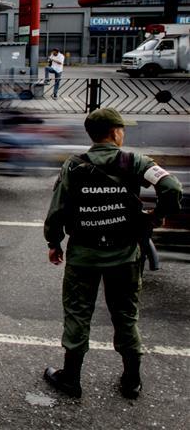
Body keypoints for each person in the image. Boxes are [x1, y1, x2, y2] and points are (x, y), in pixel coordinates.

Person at [43, 108, 182, 399]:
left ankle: (71, 378)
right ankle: (131, 380)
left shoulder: (74, 166)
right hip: (125, 256)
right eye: (122, 130)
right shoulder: (134, 162)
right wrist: (157, 217)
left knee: (78, 314)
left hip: (84, 256)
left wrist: (54, 243)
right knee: (125, 315)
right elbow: (171, 186)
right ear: (115, 132)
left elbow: (57, 210)